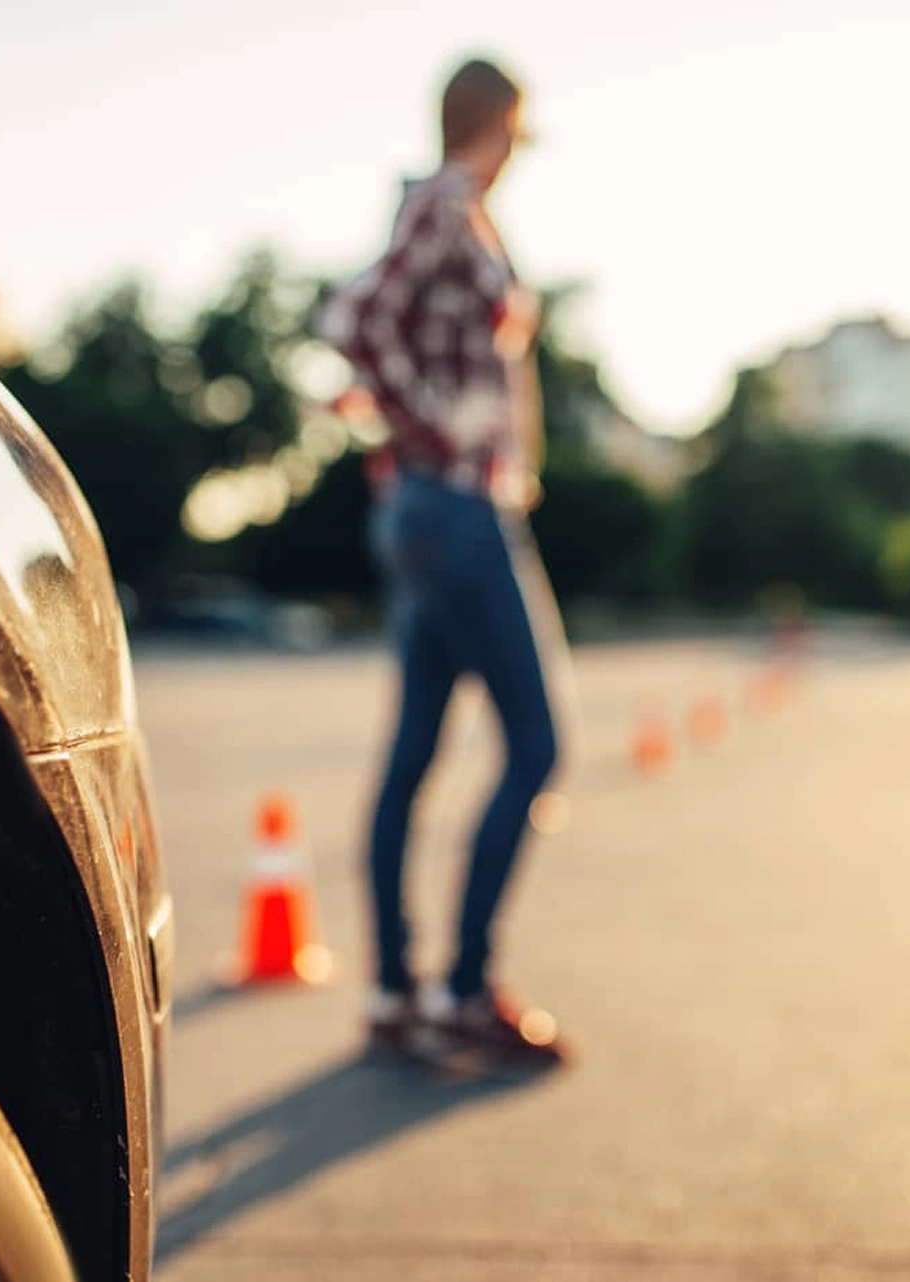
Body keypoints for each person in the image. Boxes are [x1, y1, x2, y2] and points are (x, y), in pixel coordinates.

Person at [318, 57, 568, 1069]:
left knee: (416, 754)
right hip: (452, 506)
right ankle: (462, 988)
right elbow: (354, 318)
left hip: (439, 505)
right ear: (498, 124)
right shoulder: (444, 203)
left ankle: (393, 990)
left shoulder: (457, 214)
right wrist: (425, 430)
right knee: (538, 747)